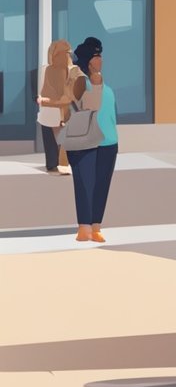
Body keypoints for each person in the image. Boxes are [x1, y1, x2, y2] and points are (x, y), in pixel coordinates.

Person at [66, 38, 119, 242]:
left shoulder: (109, 89)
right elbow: (85, 106)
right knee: (84, 184)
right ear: (88, 60)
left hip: (108, 143)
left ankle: (96, 225)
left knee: (101, 184)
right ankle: (84, 226)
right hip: (85, 142)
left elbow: (112, 115)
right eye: (97, 56)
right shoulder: (80, 83)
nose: (101, 60)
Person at [36, 40, 75, 175]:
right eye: (63, 53)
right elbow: (44, 93)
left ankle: (60, 163)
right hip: (50, 113)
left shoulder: (69, 71)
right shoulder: (49, 70)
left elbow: (68, 96)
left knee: (62, 141)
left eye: (68, 53)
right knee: (53, 143)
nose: (66, 56)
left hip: (60, 112)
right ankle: (54, 164)